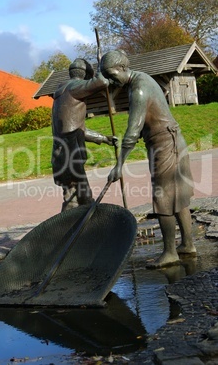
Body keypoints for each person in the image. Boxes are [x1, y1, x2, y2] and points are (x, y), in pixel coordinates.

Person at [100, 49, 196, 268]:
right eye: (106, 75)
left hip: (165, 145)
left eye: (111, 74)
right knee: (177, 195)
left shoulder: (139, 89)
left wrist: (119, 165)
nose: (109, 79)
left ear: (123, 68)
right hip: (171, 141)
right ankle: (187, 245)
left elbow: (133, 131)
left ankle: (170, 252)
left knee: (163, 197)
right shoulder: (143, 79)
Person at [52, 58, 117, 212]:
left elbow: (78, 129)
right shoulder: (75, 87)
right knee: (76, 200)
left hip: (63, 154)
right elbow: (102, 82)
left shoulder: (62, 93)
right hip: (70, 155)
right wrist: (102, 66)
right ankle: (68, 232)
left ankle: (81, 230)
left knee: (80, 197)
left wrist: (104, 139)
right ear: (85, 75)